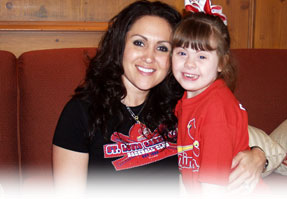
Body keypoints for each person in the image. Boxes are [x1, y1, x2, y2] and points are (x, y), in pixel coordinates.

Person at [52, 0, 266, 197]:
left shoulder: (181, 100)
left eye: (162, 48)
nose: (149, 57)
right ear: (119, 46)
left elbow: (231, 131)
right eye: (139, 43)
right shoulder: (80, 112)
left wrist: (258, 157)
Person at [171, 11, 260, 195]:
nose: (189, 64)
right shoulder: (188, 100)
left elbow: (214, 188)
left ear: (221, 63)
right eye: (181, 53)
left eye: (202, 56)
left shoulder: (216, 108)